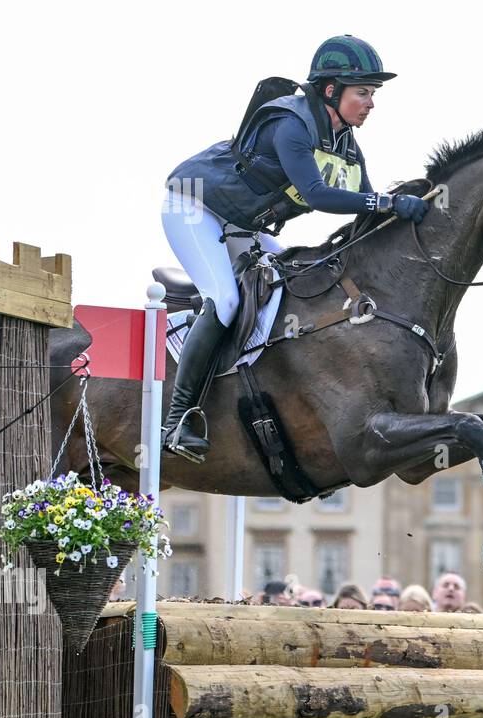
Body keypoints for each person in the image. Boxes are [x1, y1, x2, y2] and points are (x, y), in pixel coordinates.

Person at [160, 35, 428, 462]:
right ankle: (176, 420)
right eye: (363, 92)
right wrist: (390, 202)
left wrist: (412, 208)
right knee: (227, 300)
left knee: (288, 283)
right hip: (194, 207)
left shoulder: (344, 143)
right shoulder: (291, 124)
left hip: (243, 221)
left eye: (373, 94)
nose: (371, 103)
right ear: (330, 91)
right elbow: (319, 195)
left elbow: (366, 207)